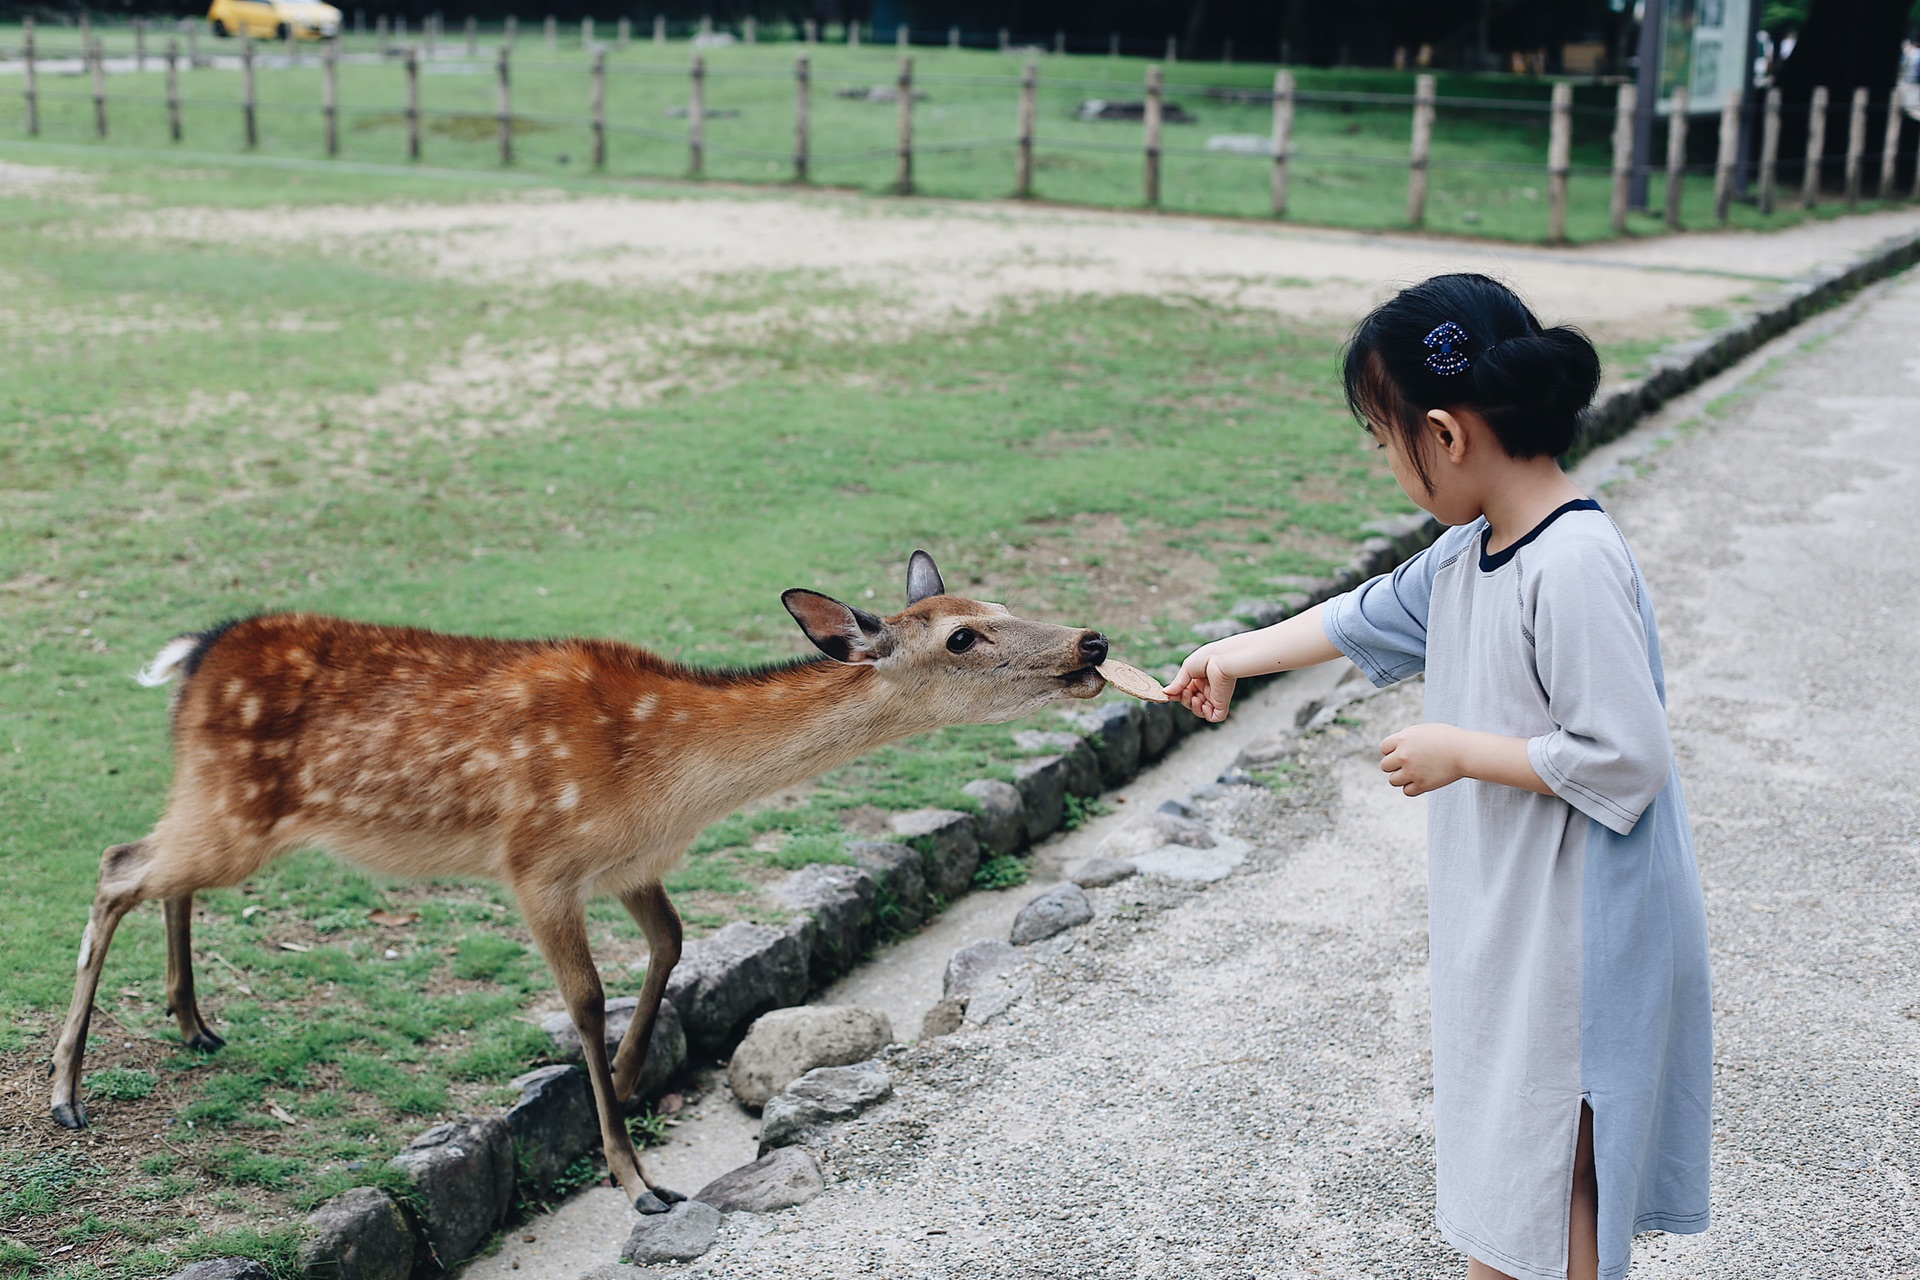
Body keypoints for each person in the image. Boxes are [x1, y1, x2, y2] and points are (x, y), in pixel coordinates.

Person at [1165, 273, 1712, 1280]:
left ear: (1445, 434)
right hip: (1524, 914)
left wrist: (1460, 751)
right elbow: (1359, 615)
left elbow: (1626, 755)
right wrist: (1232, 653)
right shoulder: (1472, 551)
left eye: (1385, 440)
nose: (1388, 463)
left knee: (1563, 1162)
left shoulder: (1573, 558)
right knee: (1521, 1158)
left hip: (1589, 925)